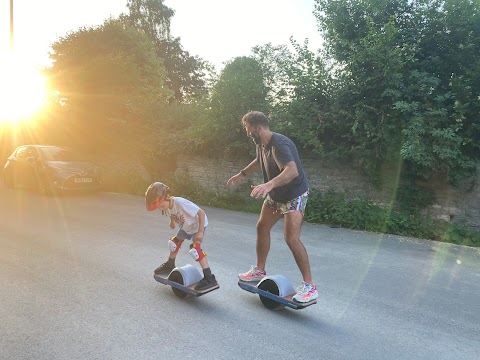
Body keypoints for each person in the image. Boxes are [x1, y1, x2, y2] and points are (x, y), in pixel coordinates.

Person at [227, 111, 318, 303]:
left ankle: (310, 287)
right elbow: (259, 162)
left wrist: (268, 185)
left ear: (258, 128)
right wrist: (242, 174)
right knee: (262, 227)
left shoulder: (279, 144)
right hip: (276, 195)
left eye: (248, 129)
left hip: (294, 195)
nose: (247, 133)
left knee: (291, 239)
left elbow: (292, 171)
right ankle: (259, 270)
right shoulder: (262, 144)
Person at [145, 182, 218, 292]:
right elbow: (171, 213)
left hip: (197, 225)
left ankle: (209, 277)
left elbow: (201, 213)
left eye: (161, 205)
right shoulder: (167, 205)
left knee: (195, 250)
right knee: (173, 244)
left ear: (168, 197)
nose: (161, 208)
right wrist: (172, 222)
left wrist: (200, 231)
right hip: (186, 226)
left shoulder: (180, 203)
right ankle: (170, 264)